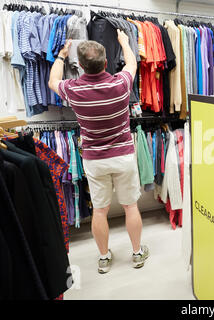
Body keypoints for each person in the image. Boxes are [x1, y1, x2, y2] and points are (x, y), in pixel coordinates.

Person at [48, 30, 149, 274]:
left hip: (94, 159)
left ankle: (104, 258)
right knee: (130, 206)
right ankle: (137, 253)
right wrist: (124, 42)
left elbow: (52, 81)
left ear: (80, 66)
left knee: (100, 210)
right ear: (105, 63)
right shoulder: (121, 83)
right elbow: (133, 63)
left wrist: (61, 57)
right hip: (123, 155)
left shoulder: (73, 89)